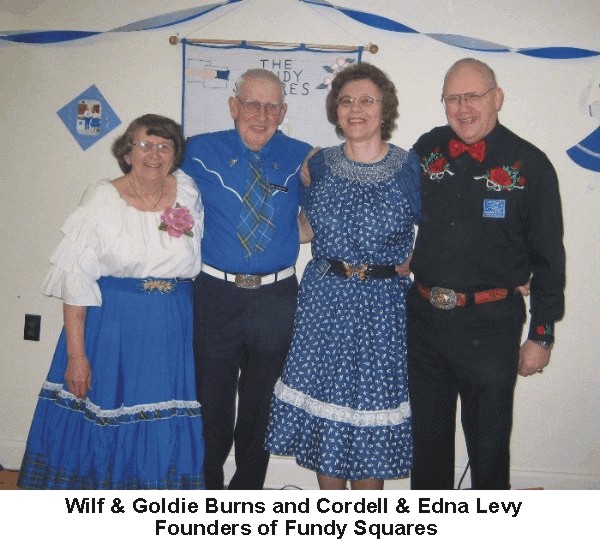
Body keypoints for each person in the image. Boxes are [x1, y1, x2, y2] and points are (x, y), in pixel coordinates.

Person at [18, 114, 205, 489]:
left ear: (175, 155)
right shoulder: (102, 198)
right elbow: (76, 280)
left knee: (161, 414)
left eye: (164, 146)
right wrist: (76, 356)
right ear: (127, 152)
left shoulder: (187, 190)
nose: (154, 154)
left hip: (169, 327)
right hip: (113, 327)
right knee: (104, 410)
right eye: (144, 145)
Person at [407, 58, 565, 490]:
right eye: (453, 98)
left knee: (489, 450)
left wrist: (542, 334)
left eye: (473, 96)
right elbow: (389, 201)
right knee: (427, 449)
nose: (463, 108)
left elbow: (549, 257)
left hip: (491, 326)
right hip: (424, 321)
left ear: (497, 98)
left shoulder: (530, 164)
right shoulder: (427, 149)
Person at [266, 62, 421, 490]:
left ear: (385, 109)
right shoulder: (318, 165)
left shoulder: (410, 167)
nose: (356, 109)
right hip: (325, 302)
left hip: (383, 308)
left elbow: (443, 225)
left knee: (371, 411)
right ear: (335, 110)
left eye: (367, 100)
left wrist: (419, 259)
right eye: (347, 101)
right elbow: (305, 227)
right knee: (326, 411)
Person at [178, 69, 312, 490]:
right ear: (233, 106)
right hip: (215, 295)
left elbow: (322, 217)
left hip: (276, 298)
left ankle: (247, 493)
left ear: (283, 112)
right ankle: (206, 493)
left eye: (271, 106)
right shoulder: (197, 150)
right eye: (252, 104)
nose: (261, 115)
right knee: (211, 401)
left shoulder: (303, 156)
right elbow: (156, 187)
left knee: (262, 404)